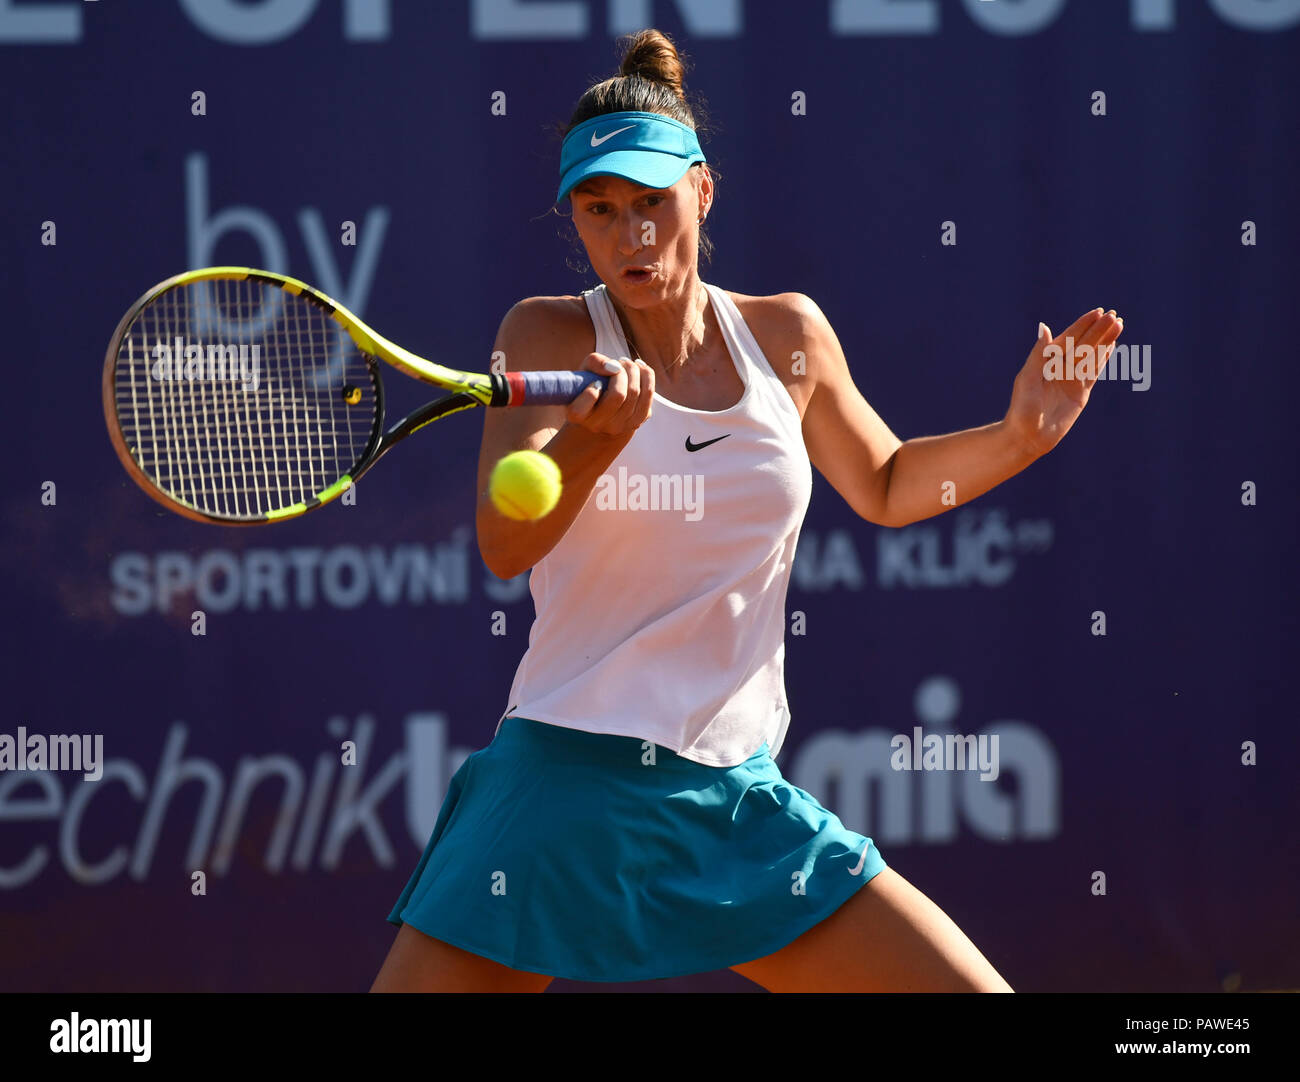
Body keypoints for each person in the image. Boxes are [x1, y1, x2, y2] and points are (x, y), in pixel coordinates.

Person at [371, 29, 1121, 993]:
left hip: (734, 802)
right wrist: (594, 440)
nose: (629, 235)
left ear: (703, 192)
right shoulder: (546, 333)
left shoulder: (788, 335)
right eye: (599, 211)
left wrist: (1021, 437)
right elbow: (506, 543)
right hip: (561, 791)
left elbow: (888, 484)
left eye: (652, 203)